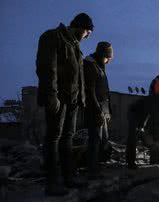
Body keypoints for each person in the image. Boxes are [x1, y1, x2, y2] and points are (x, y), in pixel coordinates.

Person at [36, 13, 93, 196]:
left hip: (72, 101)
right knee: (54, 137)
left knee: (67, 137)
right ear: (79, 27)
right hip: (58, 99)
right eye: (87, 32)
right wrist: (52, 95)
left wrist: (81, 99)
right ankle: (52, 184)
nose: (88, 36)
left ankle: (69, 178)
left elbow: (79, 77)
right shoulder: (52, 37)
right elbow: (46, 67)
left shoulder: (76, 47)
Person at [83, 42, 113, 178]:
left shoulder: (100, 66)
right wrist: (98, 112)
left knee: (104, 140)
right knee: (95, 139)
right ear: (102, 55)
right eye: (108, 57)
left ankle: (99, 165)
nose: (109, 60)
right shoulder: (90, 66)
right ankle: (92, 169)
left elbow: (105, 91)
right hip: (95, 109)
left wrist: (108, 111)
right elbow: (90, 91)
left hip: (103, 109)